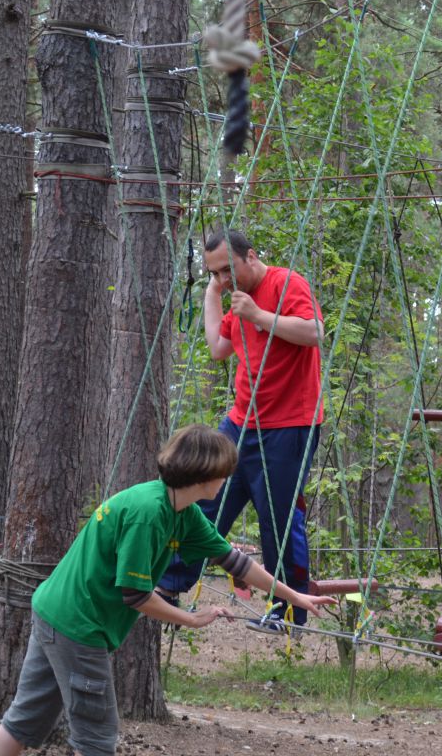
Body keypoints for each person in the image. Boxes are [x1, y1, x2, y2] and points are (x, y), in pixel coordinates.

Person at [0, 425, 334, 756]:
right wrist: (191, 619)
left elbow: (234, 561)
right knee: (96, 737)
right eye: (224, 472)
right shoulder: (148, 513)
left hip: (56, 613)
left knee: (23, 721)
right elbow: (135, 596)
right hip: (78, 624)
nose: (228, 479)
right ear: (204, 474)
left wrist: (293, 596)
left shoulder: (182, 511)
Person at [159, 229, 324, 633]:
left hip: (290, 425)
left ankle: (287, 612)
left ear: (250, 256)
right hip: (240, 422)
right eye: (215, 273)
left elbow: (314, 332)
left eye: (226, 270)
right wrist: (211, 295)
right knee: (201, 501)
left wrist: (259, 316)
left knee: (277, 518)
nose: (223, 279)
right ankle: (169, 586)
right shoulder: (235, 297)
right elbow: (218, 348)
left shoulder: (285, 283)